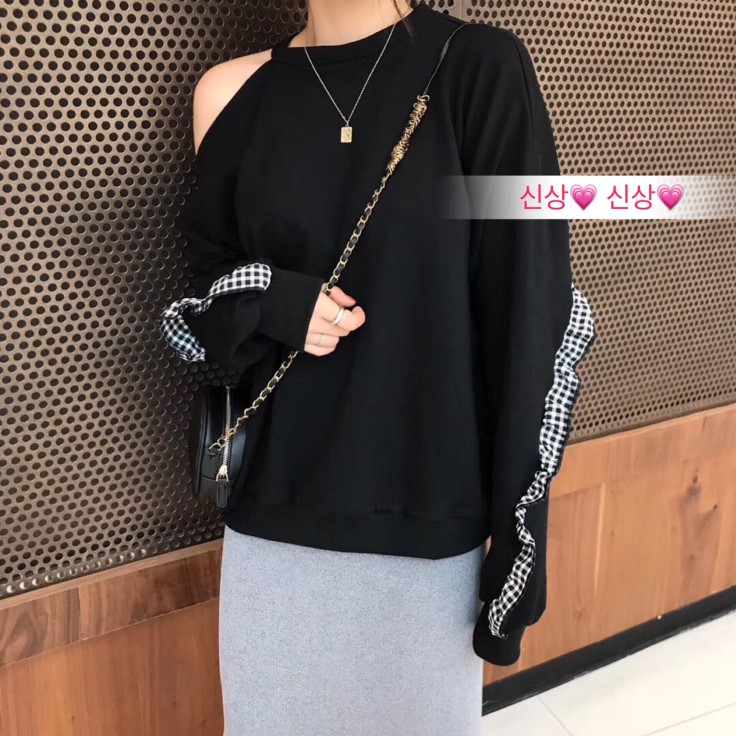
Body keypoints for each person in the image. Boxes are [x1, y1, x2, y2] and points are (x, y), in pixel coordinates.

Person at [160, 1, 596, 733]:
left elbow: (530, 311)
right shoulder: (228, 93)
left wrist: (518, 555)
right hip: (274, 516)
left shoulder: (479, 69)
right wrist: (276, 303)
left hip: (428, 522)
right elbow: (204, 303)